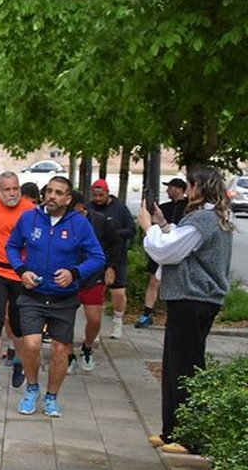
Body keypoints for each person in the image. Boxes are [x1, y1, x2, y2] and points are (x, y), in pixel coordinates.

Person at [141, 168, 234, 454]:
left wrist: (149, 228)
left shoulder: (203, 219)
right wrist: (163, 224)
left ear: (197, 187)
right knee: (175, 364)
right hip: (192, 299)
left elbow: (169, 251)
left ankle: (190, 437)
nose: (186, 190)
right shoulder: (212, 217)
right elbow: (182, 244)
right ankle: (172, 431)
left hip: (194, 299)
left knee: (185, 367)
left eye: (190, 185)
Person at [7, 176, 105, 418]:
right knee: (31, 344)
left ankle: (51, 396)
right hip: (33, 294)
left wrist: (75, 273)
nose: (52, 196)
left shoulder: (79, 224)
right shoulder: (30, 218)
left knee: (61, 350)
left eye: (59, 193)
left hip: (63, 298)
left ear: (68, 199)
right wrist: (21, 270)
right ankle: (31, 388)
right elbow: (11, 246)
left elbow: (98, 257)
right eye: (49, 191)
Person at [0, 171, 37, 397]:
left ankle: (19, 361)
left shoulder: (31, 210)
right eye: (7, 190)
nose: (12, 193)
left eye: (15, 189)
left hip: (21, 275)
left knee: (18, 324)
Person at [69, 190, 122, 373]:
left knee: (94, 318)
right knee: (65, 318)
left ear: (80, 207)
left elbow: (116, 244)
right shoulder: (63, 222)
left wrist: (111, 267)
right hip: (69, 276)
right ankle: (68, 354)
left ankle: (87, 347)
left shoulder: (99, 221)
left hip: (93, 275)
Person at [136, 177, 189, 328]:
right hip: (160, 246)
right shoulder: (164, 207)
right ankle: (147, 313)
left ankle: (173, 315)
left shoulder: (189, 207)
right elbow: (152, 223)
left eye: (170, 187)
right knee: (154, 281)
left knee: (175, 282)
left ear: (179, 189)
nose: (167, 190)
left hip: (178, 250)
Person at [86, 179, 135, 338]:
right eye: (95, 195)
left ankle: (118, 321)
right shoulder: (89, 209)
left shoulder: (120, 208)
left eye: (101, 195)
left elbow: (131, 229)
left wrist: (112, 233)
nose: (98, 198)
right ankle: (94, 327)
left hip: (116, 255)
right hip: (94, 258)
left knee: (118, 292)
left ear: (107, 193)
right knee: (96, 293)